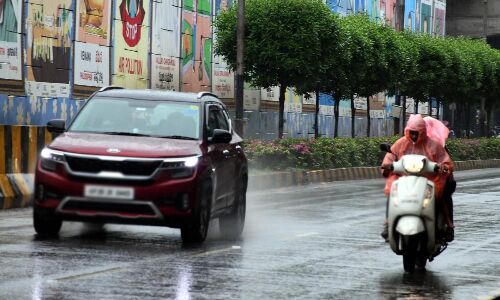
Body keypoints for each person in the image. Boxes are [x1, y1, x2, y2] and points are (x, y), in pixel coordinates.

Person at [380, 114, 454, 242]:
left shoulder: (434, 145)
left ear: (423, 132)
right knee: (392, 192)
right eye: (412, 133)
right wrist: (387, 166)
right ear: (408, 131)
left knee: (441, 196)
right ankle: (388, 223)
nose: (414, 136)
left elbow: (445, 161)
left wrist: (443, 167)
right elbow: (390, 156)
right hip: (404, 179)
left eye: (416, 133)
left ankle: (448, 226)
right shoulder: (401, 143)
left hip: (429, 180)